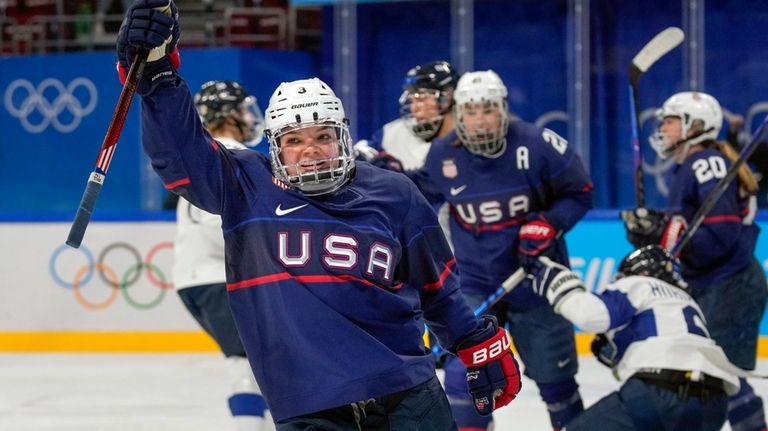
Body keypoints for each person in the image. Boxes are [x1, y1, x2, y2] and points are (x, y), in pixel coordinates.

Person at [116, 1, 522, 429]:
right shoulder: (244, 185)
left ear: (343, 136)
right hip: (310, 403)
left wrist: (477, 341)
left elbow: (438, 289)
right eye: (294, 139)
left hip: (407, 391)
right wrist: (158, 78)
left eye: (323, 135)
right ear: (274, 145)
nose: (310, 149)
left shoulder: (393, 192)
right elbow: (180, 156)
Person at [411, 69, 594, 431]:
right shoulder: (442, 154)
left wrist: (550, 222)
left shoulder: (539, 144)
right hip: (475, 280)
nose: (480, 120)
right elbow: (416, 199)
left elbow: (580, 192)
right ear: (458, 115)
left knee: (557, 385)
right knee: (463, 380)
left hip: (537, 281)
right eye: (471, 111)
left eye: (488, 110)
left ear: (503, 110)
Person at [622, 91, 767, 431]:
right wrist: (654, 230)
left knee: (719, 375)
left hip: (729, 285)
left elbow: (719, 236)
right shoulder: (694, 164)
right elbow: (691, 227)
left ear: (695, 125)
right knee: (717, 374)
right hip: (720, 284)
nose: (663, 129)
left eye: (671, 122)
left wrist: (665, 234)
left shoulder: (705, 163)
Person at [527, 245, 739, 431]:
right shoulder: (689, 302)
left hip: (659, 394)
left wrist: (558, 282)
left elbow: (589, 315)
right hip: (714, 405)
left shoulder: (638, 284)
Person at [171, 79, 272, 431]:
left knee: (257, 364)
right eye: (243, 109)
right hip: (221, 277)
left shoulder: (203, 155)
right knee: (249, 368)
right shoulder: (234, 155)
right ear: (227, 115)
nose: (249, 116)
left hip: (194, 280)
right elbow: (222, 227)